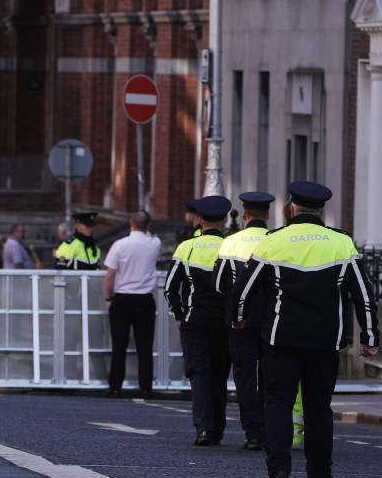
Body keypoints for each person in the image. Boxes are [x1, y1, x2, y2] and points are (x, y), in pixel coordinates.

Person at [234, 181, 380, 478]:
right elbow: (364, 294)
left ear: (292, 207)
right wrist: (370, 335)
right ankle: (319, 475)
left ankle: (279, 469)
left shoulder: (273, 241)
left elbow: (243, 288)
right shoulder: (342, 243)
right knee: (318, 407)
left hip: (281, 338)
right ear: (321, 211)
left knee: (277, 401)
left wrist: (238, 317)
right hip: (324, 341)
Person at [164, 195, 231, 446]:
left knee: (199, 374)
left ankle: (204, 428)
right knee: (219, 375)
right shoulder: (231, 247)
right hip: (225, 321)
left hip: (195, 319)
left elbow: (170, 287)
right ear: (224, 221)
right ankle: (218, 429)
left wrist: (178, 314)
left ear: (200, 220)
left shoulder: (187, 247)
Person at [212, 191, 274, 451]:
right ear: (268, 214)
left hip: (240, 321)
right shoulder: (275, 239)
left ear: (245, 214)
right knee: (270, 377)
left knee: (245, 377)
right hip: (272, 320)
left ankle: (253, 433)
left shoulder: (231, 242)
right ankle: (271, 430)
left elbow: (218, 284)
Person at [101, 210, 162, 399]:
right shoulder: (155, 243)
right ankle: (146, 388)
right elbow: (149, 235)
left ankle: (115, 387)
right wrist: (146, 229)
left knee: (119, 345)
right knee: (145, 346)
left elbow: (110, 277)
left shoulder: (119, 245)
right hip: (144, 299)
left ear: (130, 224)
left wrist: (109, 299)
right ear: (148, 226)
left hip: (122, 299)